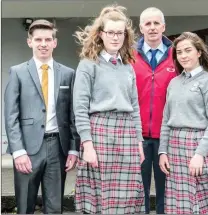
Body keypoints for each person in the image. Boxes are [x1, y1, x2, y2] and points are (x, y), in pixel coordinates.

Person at [73, 5, 145, 214]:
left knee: (128, 194)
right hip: (99, 132)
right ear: (101, 34)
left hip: (127, 134)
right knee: (101, 195)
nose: (115, 37)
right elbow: (80, 107)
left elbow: (134, 107)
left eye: (120, 33)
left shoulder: (128, 66)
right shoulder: (88, 65)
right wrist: (87, 145)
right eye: (111, 32)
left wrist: (139, 142)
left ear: (126, 35)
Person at [4, 19, 80, 214]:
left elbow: (72, 115)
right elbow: (11, 114)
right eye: (38, 39)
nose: (43, 44)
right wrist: (18, 151)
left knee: (55, 208)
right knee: (25, 205)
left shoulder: (68, 74)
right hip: (27, 150)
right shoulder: (18, 72)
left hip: (57, 148)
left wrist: (73, 149)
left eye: (48, 39)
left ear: (55, 42)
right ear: (30, 42)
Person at [159, 32, 208, 214]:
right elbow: (166, 120)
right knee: (179, 201)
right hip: (174, 147)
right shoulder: (174, 83)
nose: (183, 55)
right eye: (179, 52)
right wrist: (162, 151)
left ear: (199, 52)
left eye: (188, 50)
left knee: (204, 198)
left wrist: (200, 154)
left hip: (197, 146)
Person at [132, 7, 177, 214]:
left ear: (163, 27)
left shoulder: (176, 56)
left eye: (156, 23)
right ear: (141, 28)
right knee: (137, 191)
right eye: (147, 24)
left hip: (166, 136)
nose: (152, 28)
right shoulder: (129, 55)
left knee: (166, 192)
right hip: (137, 136)